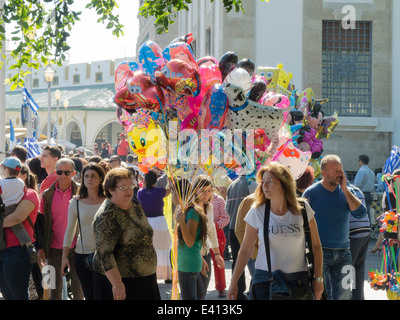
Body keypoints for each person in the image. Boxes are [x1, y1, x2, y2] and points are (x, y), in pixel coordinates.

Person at [227, 162, 324, 300]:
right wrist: (234, 282)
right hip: (265, 281)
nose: (264, 186)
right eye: (263, 181)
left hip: (298, 282)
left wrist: (318, 278)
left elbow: (316, 246)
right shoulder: (257, 211)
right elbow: (245, 249)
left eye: (270, 181)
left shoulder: (303, 209)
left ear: (285, 184)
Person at [302, 154, 367, 300]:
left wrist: (345, 190)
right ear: (324, 173)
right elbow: (303, 223)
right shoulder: (311, 193)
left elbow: (360, 213)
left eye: (341, 170)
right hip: (320, 253)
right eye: (335, 170)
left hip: (344, 252)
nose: (340, 173)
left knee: (344, 294)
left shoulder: (348, 191)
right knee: (319, 293)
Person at [92, 168, 160, 300]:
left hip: (145, 279)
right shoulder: (106, 216)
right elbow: (105, 254)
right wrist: (117, 284)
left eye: (131, 185)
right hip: (122, 282)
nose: (129, 190)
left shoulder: (134, 205)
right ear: (110, 189)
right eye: (123, 187)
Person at [38, 158, 84, 300]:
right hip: (53, 248)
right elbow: (41, 222)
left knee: (78, 288)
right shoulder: (47, 195)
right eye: (59, 172)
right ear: (55, 173)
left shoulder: (82, 193)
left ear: (73, 173)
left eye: (67, 172)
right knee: (54, 289)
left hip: (78, 248)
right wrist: (41, 247)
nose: (63, 175)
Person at [62, 163, 106, 300]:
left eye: (93, 176)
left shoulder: (109, 201)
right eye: (86, 176)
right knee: (89, 294)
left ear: (100, 179)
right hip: (83, 254)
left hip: (105, 254)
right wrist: (64, 257)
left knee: (103, 294)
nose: (89, 179)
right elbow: (70, 230)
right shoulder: (76, 202)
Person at [0, 164, 39, 300]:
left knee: (18, 295)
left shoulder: (30, 194)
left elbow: (17, 218)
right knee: (7, 294)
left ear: (24, 176)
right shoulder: (4, 194)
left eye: (17, 174)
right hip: (3, 248)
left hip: (18, 249)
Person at [173, 176, 209, 300]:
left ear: (179, 194)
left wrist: (181, 222)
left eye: (173, 192)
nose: (171, 195)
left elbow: (190, 242)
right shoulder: (188, 210)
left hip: (188, 265)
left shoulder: (192, 212)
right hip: (191, 263)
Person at [136, 169, 172, 283]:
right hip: (160, 221)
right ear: (155, 180)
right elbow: (169, 190)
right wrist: (169, 182)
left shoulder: (140, 193)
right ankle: (167, 275)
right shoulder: (160, 191)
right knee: (164, 249)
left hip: (146, 222)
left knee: (148, 249)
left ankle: (149, 273)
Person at [225, 173, 257, 300]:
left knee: (237, 261)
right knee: (252, 260)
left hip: (233, 227)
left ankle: (238, 292)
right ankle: (252, 290)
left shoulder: (232, 185)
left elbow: (227, 208)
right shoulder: (252, 184)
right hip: (248, 228)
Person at [0, 157, 37, 262]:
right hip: (16, 207)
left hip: (5, 209)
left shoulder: (2, 184)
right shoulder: (21, 183)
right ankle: (29, 245)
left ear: (6, 170)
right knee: (18, 228)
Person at [347, 178, 370, 300]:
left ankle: (345, 296)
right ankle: (358, 297)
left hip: (353, 233)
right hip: (365, 231)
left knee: (346, 268)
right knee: (358, 268)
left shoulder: (342, 191)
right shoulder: (357, 190)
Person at [370, 169, 399, 254]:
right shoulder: (392, 194)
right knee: (394, 258)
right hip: (393, 229)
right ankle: (377, 246)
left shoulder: (389, 192)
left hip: (391, 228)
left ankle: (377, 246)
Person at [210, 191, 230, 298]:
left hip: (217, 232)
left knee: (219, 260)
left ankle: (221, 287)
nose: (205, 193)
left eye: (208, 189)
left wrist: (215, 225)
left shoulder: (219, 200)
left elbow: (226, 218)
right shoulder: (196, 199)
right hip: (201, 231)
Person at [354, 155, 375, 223]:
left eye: (358, 161)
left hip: (362, 194)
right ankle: (369, 229)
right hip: (369, 194)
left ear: (361, 161)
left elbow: (357, 184)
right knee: (367, 213)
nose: (358, 163)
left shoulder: (361, 171)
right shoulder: (371, 171)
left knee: (361, 214)